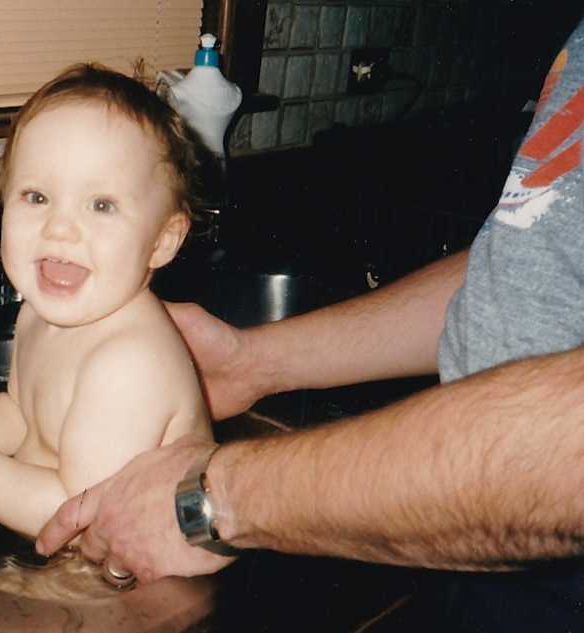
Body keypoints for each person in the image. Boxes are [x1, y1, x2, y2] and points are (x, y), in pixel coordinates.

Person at [36, 18, 584, 628]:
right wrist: (255, 361)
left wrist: (219, 499)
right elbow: (523, 271)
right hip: (486, 545)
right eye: (35, 197)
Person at [0, 65, 214, 577]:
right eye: (37, 197)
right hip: (41, 530)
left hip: (121, 571)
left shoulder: (130, 362)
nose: (60, 227)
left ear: (163, 240)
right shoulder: (42, 312)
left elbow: (77, 515)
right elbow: (22, 414)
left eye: (101, 204)